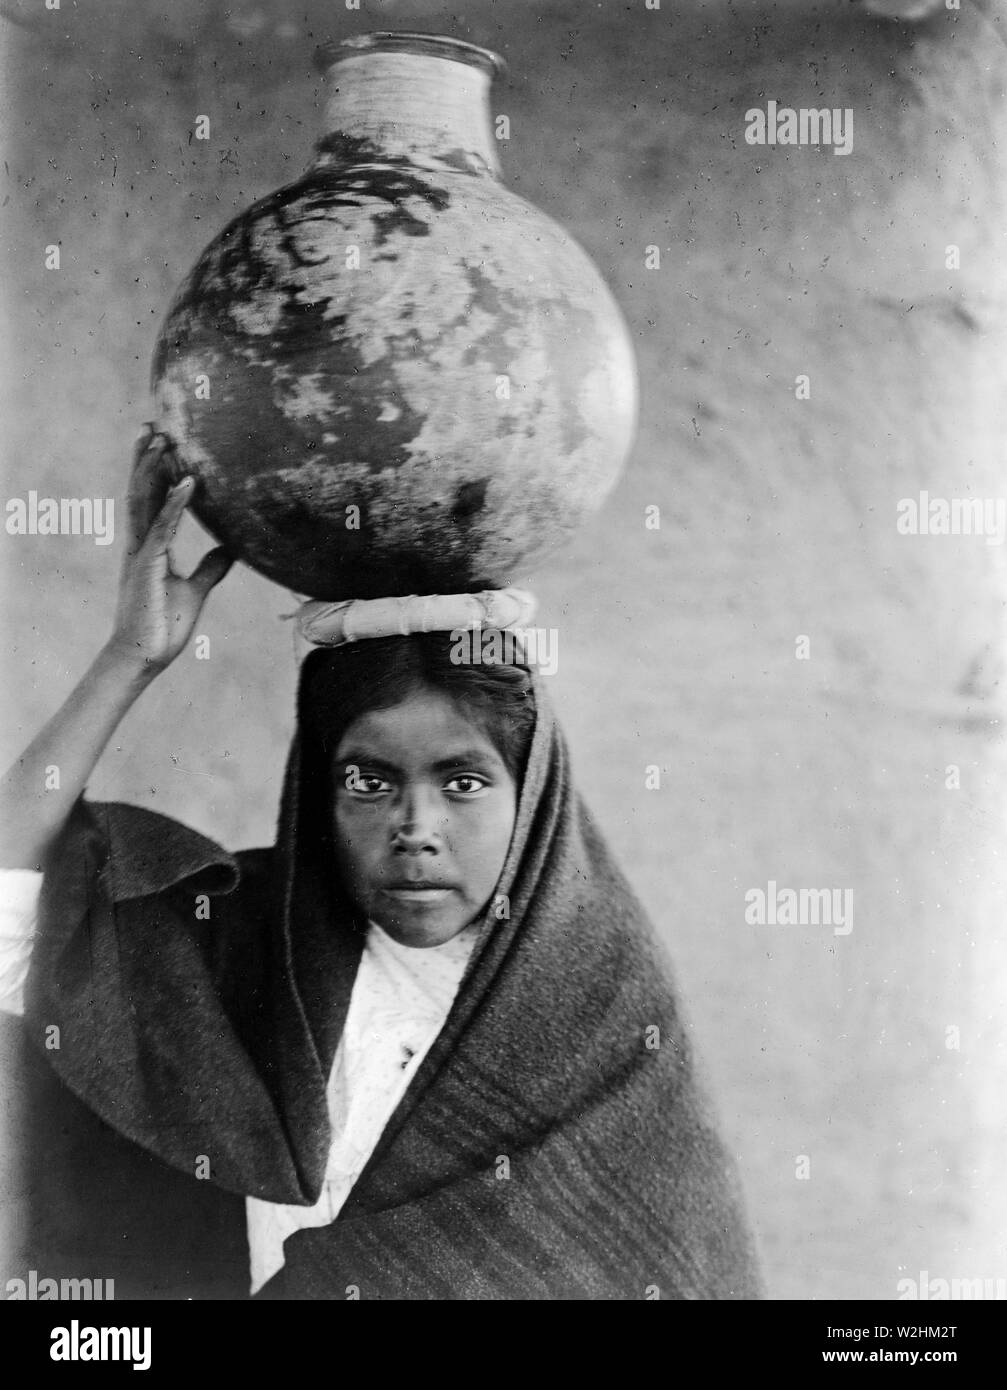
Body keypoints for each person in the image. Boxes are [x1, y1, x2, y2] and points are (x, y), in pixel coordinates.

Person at [0, 427, 763, 1300]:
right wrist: (128, 659)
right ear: (315, 797)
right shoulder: (240, 954)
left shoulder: (602, 1009)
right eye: (368, 782)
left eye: (463, 782)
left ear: (533, 797)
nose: (416, 829)